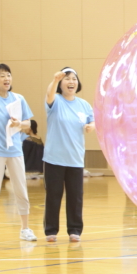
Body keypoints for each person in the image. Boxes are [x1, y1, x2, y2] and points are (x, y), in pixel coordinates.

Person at [0, 64, 36, 243]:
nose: (6, 79)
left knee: (21, 189)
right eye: (2, 76)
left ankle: (25, 228)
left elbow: (28, 124)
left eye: (8, 75)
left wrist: (19, 124)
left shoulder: (19, 99)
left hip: (15, 150)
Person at [43, 68, 94, 243]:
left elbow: (92, 120)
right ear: (61, 84)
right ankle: (51, 230)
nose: (71, 82)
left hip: (75, 159)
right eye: (67, 79)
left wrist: (91, 126)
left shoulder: (84, 105)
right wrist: (55, 80)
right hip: (54, 159)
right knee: (53, 196)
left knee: (75, 197)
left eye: (74, 79)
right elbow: (49, 94)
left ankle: (75, 230)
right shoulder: (55, 101)